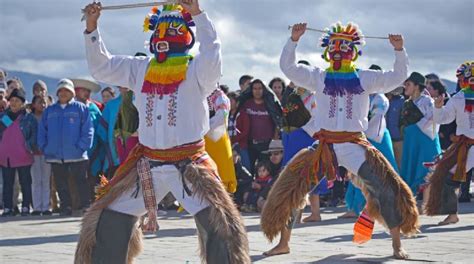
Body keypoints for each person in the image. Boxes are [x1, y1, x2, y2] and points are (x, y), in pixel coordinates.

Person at [75, 2, 250, 263]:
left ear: (186, 34)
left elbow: (213, 56)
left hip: (190, 165)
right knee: (109, 216)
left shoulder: (196, 68)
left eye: (174, 28)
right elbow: (103, 67)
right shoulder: (140, 68)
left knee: (221, 223)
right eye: (161, 28)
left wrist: (198, 15)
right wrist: (92, 27)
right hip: (148, 164)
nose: (166, 34)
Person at [262, 22, 418, 259]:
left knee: (387, 189)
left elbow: (397, 77)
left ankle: (397, 245)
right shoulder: (319, 77)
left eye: (344, 45)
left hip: (355, 145)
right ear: (326, 49)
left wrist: (399, 50)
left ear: (354, 50)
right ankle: (284, 243)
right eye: (334, 44)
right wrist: (294, 40)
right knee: (292, 190)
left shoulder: (365, 78)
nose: (338, 49)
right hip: (326, 146)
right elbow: (289, 68)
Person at [425, 61, 474, 225]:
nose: (460, 82)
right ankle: (452, 214)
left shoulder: (457, 98)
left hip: (466, 146)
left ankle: (452, 214)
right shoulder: (458, 98)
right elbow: (443, 118)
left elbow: (443, 119)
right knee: (447, 177)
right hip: (464, 146)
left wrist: (439, 109)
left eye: (461, 78)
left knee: (448, 178)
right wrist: (438, 107)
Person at [38, 79, 93, 216]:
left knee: (81, 181)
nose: (63, 93)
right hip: (55, 155)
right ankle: (65, 206)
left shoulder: (81, 108)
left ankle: (85, 205)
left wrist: (81, 147)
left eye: (66, 90)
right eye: (61, 90)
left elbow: (88, 130)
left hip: (77, 155)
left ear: (72, 93)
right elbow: (42, 131)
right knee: (60, 183)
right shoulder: (50, 111)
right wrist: (45, 147)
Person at [400, 72, 442, 196]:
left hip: (425, 141)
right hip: (411, 142)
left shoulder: (427, 101)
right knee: (410, 168)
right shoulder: (407, 102)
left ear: (417, 86)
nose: (405, 87)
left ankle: (426, 201)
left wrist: (415, 129)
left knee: (425, 170)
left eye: (408, 84)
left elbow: (434, 118)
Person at [0, 89, 37, 216]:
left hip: (23, 155)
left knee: (25, 183)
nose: (14, 103)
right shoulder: (4, 117)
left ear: (22, 103)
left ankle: (26, 206)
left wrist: (29, 146)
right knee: (7, 184)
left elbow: (34, 135)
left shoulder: (28, 117)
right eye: (12, 100)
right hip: (6, 157)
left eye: (17, 101)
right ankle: (8, 207)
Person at [238, 79, 283, 173]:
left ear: (264, 90)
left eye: (260, 88)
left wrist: (275, 137)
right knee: (249, 171)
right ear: (251, 90)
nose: (257, 91)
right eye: (255, 88)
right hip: (250, 144)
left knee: (266, 171)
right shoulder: (246, 104)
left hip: (267, 144)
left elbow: (277, 121)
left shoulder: (269, 104)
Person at [97, 86, 139, 178]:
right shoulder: (111, 105)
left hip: (136, 153)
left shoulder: (139, 102)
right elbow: (102, 131)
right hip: (116, 154)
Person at [204, 87, 237, 193]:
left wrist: (201, 128)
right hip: (202, 140)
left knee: (221, 174)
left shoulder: (220, 97)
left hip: (217, 140)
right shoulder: (198, 94)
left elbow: (221, 117)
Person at [30, 95, 52, 216]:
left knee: (46, 180)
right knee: (36, 180)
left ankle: (46, 206)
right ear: (33, 105)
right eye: (39, 102)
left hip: (46, 153)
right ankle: (37, 207)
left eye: (44, 103)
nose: (42, 105)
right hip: (33, 153)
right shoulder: (29, 118)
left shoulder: (49, 117)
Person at [385, 86, 405, 168]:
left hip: (398, 138)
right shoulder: (381, 99)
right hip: (385, 139)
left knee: (399, 164)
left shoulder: (402, 101)